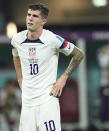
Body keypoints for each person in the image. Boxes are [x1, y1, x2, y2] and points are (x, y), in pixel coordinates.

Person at [11, 3, 85, 131]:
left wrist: (64, 77)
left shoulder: (52, 40)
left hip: (47, 100)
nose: (30, 18)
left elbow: (79, 54)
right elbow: (16, 55)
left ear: (43, 21)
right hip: (27, 102)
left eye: (35, 16)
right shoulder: (17, 39)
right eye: (28, 15)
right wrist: (20, 78)